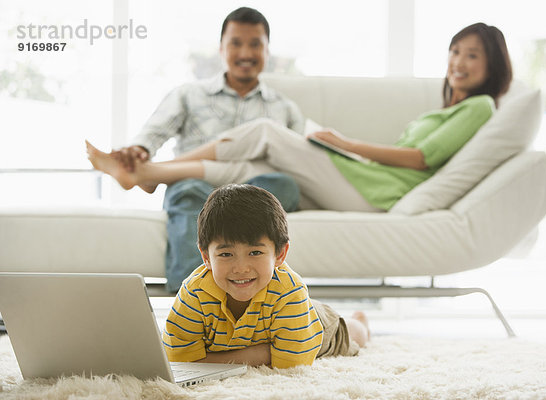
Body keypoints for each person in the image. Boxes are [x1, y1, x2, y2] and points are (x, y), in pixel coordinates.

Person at [87, 22, 512, 213]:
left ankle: (149, 173)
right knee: (251, 165)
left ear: (491, 65)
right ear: (221, 48)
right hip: (363, 183)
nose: (458, 62)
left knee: (267, 133)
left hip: (375, 193)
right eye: (455, 51)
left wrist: (345, 144)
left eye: (471, 55)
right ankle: (148, 173)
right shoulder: (451, 110)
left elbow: (420, 158)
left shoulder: (480, 106)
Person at [108, 7, 307, 292]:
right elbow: (150, 136)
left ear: (267, 50)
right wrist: (137, 152)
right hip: (198, 185)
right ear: (221, 48)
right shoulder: (188, 94)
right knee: (186, 191)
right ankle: (195, 302)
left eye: (255, 44)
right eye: (236, 43)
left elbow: (298, 160)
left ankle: (257, 302)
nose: (245, 53)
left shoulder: (284, 107)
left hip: (257, 189)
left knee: (284, 185)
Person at [162, 184, 370, 368]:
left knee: (355, 336)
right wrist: (263, 353)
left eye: (255, 253)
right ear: (206, 257)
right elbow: (180, 361)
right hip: (277, 319)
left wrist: (215, 359)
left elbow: (292, 364)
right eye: (226, 254)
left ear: (280, 254)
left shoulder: (290, 291)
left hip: (316, 324)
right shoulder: (194, 292)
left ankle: (359, 320)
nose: (241, 268)